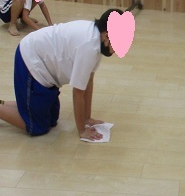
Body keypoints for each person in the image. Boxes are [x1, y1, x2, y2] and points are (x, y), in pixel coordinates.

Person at [0, 9, 123, 141]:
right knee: (37, 126)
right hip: (30, 60)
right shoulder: (89, 47)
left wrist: (87, 118)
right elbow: (78, 92)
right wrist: (82, 130)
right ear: (107, 36)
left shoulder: (96, 40)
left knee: (52, 118)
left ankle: (10, 104)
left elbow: (89, 80)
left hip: (45, 67)